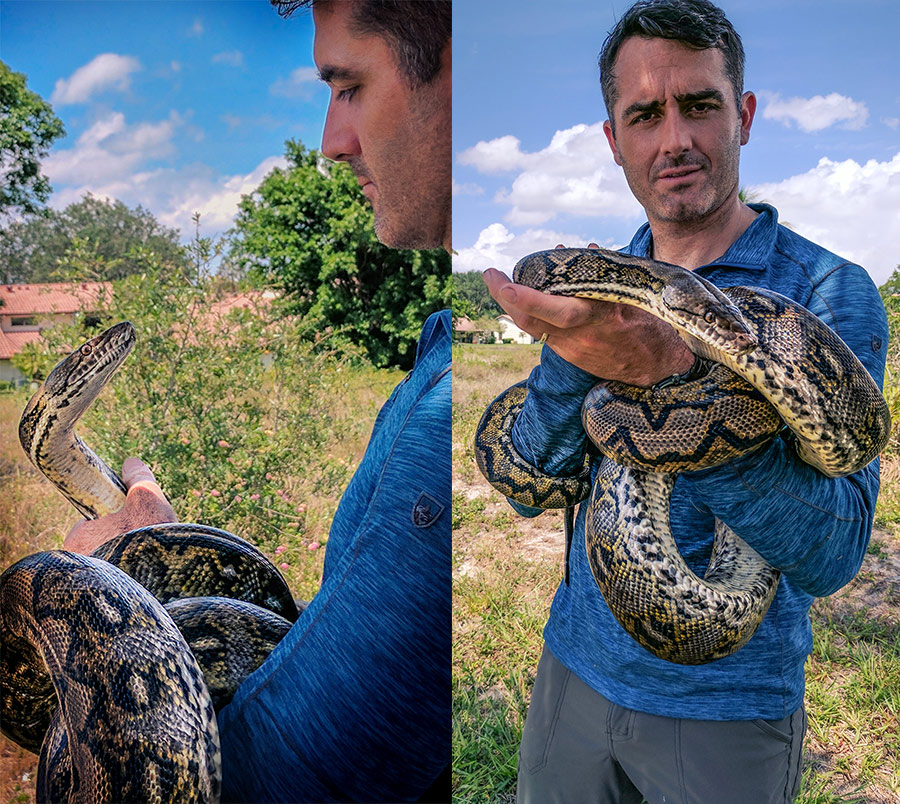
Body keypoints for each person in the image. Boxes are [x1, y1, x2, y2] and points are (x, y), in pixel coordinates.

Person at [483, 1, 887, 802]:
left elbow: (834, 554)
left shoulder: (827, 292)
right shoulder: (594, 280)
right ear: (613, 140)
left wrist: (668, 380)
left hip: (726, 716)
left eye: (699, 105)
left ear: (743, 115)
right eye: (645, 115)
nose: (674, 140)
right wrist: (580, 351)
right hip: (573, 672)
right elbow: (528, 479)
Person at [64, 1, 452, 801]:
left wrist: (90, 615)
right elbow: (351, 667)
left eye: (347, 87)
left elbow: (285, 781)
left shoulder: (447, 418)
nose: (330, 143)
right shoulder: (442, 348)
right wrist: (161, 573)